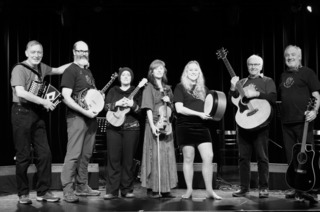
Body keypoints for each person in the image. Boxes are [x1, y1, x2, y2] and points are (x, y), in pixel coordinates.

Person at [10, 40, 71, 204]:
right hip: (21, 111)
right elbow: (20, 92)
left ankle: (43, 191)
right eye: (33, 52)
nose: (37, 55)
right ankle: (23, 193)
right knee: (23, 156)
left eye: (40, 53)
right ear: (26, 53)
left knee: (45, 154)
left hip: (36, 114)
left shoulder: (41, 67)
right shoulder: (19, 69)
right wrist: (43, 101)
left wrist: (76, 62)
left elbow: (58, 70)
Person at [229, 55, 276, 198]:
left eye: (256, 64)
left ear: (261, 66)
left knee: (262, 157)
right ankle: (244, 188)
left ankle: (264, 187)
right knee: (243, 158)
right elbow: (234, 98)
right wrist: (232, 86)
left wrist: (256, 93)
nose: (253, 67)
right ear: (247, 66)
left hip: (261, 123)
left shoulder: (267, 81)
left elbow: (273, 98)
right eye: (251, 64)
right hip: (244, 123)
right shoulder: (242, 82)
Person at [173, 60, 222, 200]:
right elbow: (179, 108)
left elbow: (209, 107)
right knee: (188, 158)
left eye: (196, 70)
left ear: (199, 73)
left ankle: (209, 191)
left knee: (209, 156)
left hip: (202, 126)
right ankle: (189, 190)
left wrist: (212, 113)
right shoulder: (180, 87)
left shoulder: (204, 89)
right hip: (185, 125)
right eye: (191, 70)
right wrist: (199, 114)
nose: (194, 72)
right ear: (186, 72)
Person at [60, 41, 101, 203]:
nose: (83, 53)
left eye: (86, 51)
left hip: (90, 118)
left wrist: (99, 99)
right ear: (74, 52)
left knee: (86, 154)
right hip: (77, 118)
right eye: (80, 51)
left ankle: (82, 186)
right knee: (73, 155)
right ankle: (68, 189)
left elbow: (91, 95)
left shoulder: (88, 72)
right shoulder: (71, 71)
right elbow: (65, 97)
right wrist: (84, 111)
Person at [279, 45, 320, 203]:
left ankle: (312, 188)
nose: (290, 57)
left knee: (308, 157)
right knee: (291, 157)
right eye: (287, 55)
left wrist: (315, 111)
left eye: (293, 55)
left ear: (300, 57)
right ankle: (296, 186)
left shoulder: (308, 73)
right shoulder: (283, 75)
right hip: (286, 122)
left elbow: (316, 94)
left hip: (304, 123)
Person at [103, 67, 143, 199]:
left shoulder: (136, 91)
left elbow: (141, 111)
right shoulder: (113, 90)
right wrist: (117, 103)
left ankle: (127, 190)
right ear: (119, 77)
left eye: (128, 75)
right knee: (113, 159)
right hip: (113, 128)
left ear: (132, 78)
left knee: (128, 161)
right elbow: (105, 106)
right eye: (123, 75)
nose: (126, 77)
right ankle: (112, 191)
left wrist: (132, 105)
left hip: (132, 128)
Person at [140, 59, 178, 198]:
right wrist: (152, 125)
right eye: (156, 69)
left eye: (162, 68)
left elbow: (173, 109)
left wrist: (170, 102)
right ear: (152, 71)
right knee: (154, 156)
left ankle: (166, 188)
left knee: (167, 155)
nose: (159, 71)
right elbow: (148, 109)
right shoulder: (149, 87)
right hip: (154, 123)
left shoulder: (168, 88)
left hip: (166, 124)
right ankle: (154, 188)